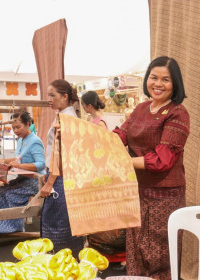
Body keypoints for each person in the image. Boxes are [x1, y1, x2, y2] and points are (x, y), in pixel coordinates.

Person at [113, 56, 190, 280]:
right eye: (154, 77)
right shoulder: (141, 108)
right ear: (147, 79)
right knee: (136, 249)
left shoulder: (178, 113)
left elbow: (162, 159)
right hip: (136, 191)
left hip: (164, 196)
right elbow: (120, 136)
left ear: (175, 84)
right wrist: (85, 135)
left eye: (166, 79)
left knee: (159, 255)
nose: (158, 84)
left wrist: (122, 163)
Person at [82, 90, 126, 270]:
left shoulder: (99, 123)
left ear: (89, 106)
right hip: (93, 167)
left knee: (104, 215)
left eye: (84, 105)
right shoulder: (92, 121)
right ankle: (100, 252)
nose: (83, 108)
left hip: (100, 169)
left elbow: (101, 148)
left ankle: (114, 255)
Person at [39, 79, 84, 258]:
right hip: (59, 176)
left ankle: (62, 265)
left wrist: (50, 182)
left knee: (58, 224)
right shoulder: (63, 116)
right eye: (48, 95)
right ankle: (67, 264)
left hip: (61, 179)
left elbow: (63, 155)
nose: (49, 99)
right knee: (61, 223)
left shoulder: (67, 120)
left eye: (52, 95)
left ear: (65, 97)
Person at [0, 111, 45, 234]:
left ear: (27, 124)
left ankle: (6, 228)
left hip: (35, 181)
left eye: (18, 127)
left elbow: (41, 164)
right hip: (24, 178)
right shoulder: (21, 140)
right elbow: (18, 158)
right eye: (13, 128)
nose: (15, 130)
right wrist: (1, 161)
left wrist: (19, 165)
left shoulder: (35, 141)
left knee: (6, 194)